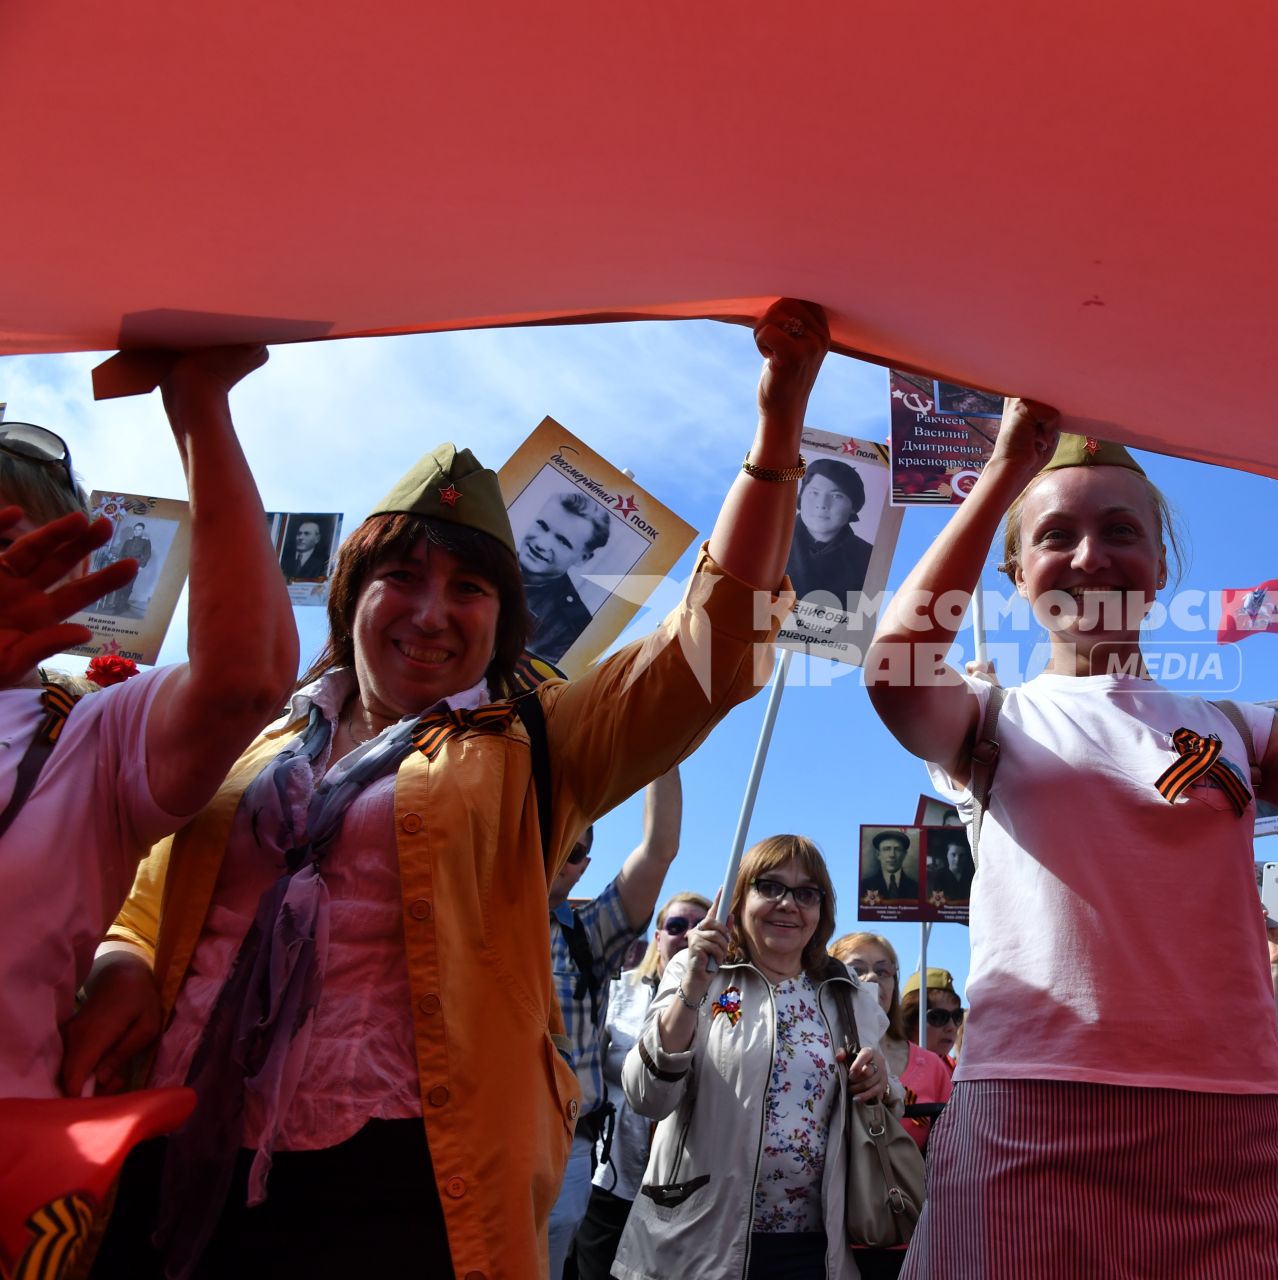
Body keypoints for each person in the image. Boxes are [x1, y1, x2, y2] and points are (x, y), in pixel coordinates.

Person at [76, 298, 828, 1280]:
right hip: (178, 1142)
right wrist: (125, 957)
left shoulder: (529, 742)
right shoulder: (252, 734)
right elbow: (148, 895)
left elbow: (715, 650)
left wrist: (776, 429)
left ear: (502, 620)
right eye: (403, 575)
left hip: (403, 1175)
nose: (432, 611)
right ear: (352, 593)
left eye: (469, 588)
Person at [864, 400, 1278, 1279]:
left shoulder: (1240, 727)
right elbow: (895, 668)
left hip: (1232, 1128)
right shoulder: (993, 717)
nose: (1090, 555)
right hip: (1030, 1118)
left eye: (1121, 530)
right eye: (1054, 535)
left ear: (1160, 566)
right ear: (1013, 569)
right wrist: (1003, 472)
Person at [0, 357, 300, 1105]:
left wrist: (196, 401)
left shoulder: (85, 738)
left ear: (69, 575)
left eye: (8, 541)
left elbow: (247, 679)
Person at [615, 836, 892, 1280]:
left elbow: (881, 1100)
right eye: (771, 886)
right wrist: (691, 991)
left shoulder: (849, 997)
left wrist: (879, 1081)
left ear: (821, 911)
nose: (788, 904)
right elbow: (647, 1097)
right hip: (698, 1241)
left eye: (806, 893)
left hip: (815, 1248)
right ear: (740, 898)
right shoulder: (697, 970)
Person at [547, 769, 684, 1280]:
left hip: (564, 1150)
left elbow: (658, 848)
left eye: (579, 850)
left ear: (584, 869)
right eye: (557, 837)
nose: (567, 855)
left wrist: (664, 749)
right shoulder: (465, 916)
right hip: (466, 1137)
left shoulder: (589, 937)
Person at [568, 890, 712, 1280]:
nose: (688, 934)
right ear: (659, 936)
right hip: (614, 1171)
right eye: (677, 925)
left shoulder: (725, 998)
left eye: (699, 925)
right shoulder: (618, 993)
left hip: (686, 1184)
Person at [829, 932, 953, 1280]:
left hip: (911, 1235)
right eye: (857, 969)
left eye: (883, 971)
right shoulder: (818, 1052)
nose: (871, 979)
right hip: (831, 1235)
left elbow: (947, 1157)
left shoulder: (932, 1066)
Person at [520, 490, 612, 665]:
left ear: (582, 558)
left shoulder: (572, 627)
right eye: (542, 525)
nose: (541, 544)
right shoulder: (484, 556)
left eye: (563, 541)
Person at [786, 457, 872, 611]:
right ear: (801, 496)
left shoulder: (870, 558)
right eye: (814, 493)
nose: (822, 505)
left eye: (836, 496)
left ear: (853, 506)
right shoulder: (767, 540)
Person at [899, 969, 964, 1066]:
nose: (951, 1027)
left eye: (957, 1016)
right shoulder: (889, 1068)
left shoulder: (956, 1072)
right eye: (938, 1017)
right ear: (909, 1020)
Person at [101, 518, 153, 614]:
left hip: (135, 564)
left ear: (143, 531)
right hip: (124, 563)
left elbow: (147, 555)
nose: (137, 531)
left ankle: (120, 607)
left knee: (128, 586)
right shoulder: (128, 541)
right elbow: (122, 553)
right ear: (134, 530)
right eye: (135, 529)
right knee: (120, 584)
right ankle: (116, 605)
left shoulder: (146, 542)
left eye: (139, 529)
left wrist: (141, 566)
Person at [860, 828, 917, 902]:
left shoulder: (916, 887)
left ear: (904, 855)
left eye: (897, 849)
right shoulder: (865, 885)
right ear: (878, 854)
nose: (892, 855)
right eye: (886, 849)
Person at [924, 829, 973, 902]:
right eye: (953, 855)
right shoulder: (939, 876)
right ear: (947, 855)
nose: (957, 859)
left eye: (961, 855)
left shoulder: (971, 875)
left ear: (966, 857)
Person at [280, 515, 330, 581]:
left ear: (317, 539)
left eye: (306, 534)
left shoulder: (325, 561)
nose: (300, 537)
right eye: (299, 533)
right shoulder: (282, 557)